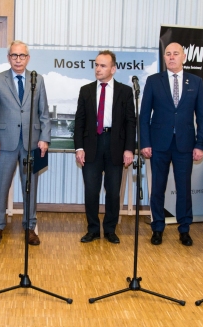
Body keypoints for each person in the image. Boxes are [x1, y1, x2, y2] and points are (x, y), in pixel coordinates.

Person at [139, 42, 203, 246]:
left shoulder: (195, 82)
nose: (171, 57)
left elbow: (202, 117)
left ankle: (184, 229)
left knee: (184, 189)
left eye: (175, 53)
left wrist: (200, 144)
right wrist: (145, 142)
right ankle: (157, 227)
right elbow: (144, 116)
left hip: (185, 145)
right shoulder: (153, 81)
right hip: (159, 144)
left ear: (184, 57)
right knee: (158, 188)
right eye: (168, 54)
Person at [0, 40, 51, 246]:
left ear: (28, 58)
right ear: (8, 58)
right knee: (1, 186)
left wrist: (44, 138)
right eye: (14, 55)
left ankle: (29, 227)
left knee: (30, 186)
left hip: (32, 144)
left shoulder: (37, 80)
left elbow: (44, 113)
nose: (18, 59)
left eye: (22, 56)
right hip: (4, 143)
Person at [74, 50, 136, 244]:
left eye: (102, 65)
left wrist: (129, 149)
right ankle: (92, 229)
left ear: (113, 69)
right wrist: (79, 148)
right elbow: (79, 122)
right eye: (96, 65)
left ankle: (110, 229)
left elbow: (130, 122)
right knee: (91, 190)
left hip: (115, 145)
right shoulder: (86, 90)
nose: (98, 69)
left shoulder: (125, 91)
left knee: (113, 190)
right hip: (91, 144)